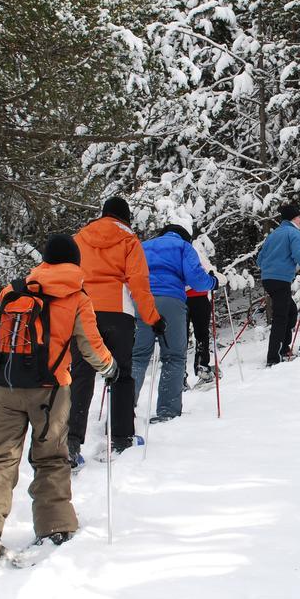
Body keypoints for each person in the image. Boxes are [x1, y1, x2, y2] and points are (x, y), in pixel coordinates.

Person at [0, 235, 117, 565]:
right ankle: (55, 527)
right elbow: (91, 345)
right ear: (75, 262)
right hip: (50, 392)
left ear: (45, 259)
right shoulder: (77, 296)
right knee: (51, 458)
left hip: (1, 389)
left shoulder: (15, 289)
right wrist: (111, 368)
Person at [69, 197, 163, 463]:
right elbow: (138, 281)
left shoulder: (80, 238)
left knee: (81, 374)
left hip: (84, 311)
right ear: (126, 217)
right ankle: (122, 437)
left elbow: (70, 274)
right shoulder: (129, 240)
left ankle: (71, 442)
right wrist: (153, 318)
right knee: (121, 373)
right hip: (118, 311)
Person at [133, 221, 217, 422]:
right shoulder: (183, 247)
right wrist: (212, 282)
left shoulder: (143, 246)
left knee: (137, 356)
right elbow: (196, 279)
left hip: (142, 301)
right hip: (171, 301)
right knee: (174, 357)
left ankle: (124, 408)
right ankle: (167, 411)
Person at [256, 203, 300, 366]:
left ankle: (283, 348)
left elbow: (259, 259)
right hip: (280, 279)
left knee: (290, 311)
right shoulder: (293, 233)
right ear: (293, 218)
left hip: (269, 279)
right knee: (281, 316)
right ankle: (274, 357)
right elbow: (299, 254)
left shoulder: (274, 234)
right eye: (299, 217)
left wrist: (271, 268)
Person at [185, 235, 217, 387]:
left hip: (180, 299)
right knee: (202, 334)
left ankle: (180, 376)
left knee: (181, 338)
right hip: (198, 297)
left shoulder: (176, 254)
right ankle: (202, 368)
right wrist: (214, 280)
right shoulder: (192, 252)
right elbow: (208, 271)